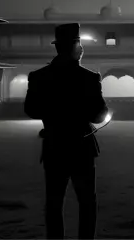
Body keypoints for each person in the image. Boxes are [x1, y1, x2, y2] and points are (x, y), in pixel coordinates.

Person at [24, 23, 110, 239]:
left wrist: (54, 114)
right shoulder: (89, 78)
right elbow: (99, 116)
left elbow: (31, 110)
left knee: (54, 203)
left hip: (54, 145)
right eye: (80, 44)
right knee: (87, 203)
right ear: (74, 46)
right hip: (81, 146)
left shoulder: (38, 77)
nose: (82, 49)